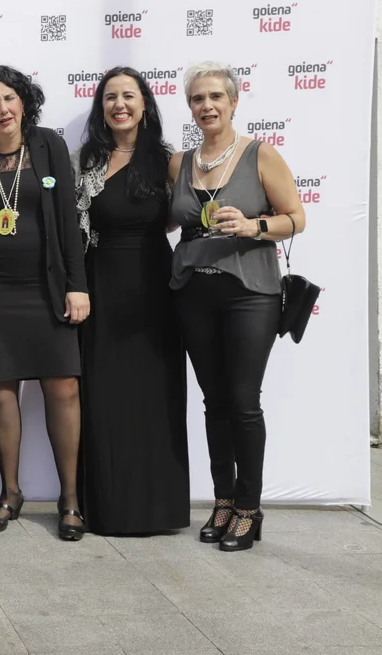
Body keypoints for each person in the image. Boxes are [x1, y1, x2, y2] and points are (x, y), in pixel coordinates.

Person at [0, 65, 89, 541]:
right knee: (0, 390)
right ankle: (9, 494)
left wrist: (77, 284)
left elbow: (68, 220)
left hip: (47, 287)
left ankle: (70, 498)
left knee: (63, 387)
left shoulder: (48, 145)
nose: (3, 109)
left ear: (24, 101)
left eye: (9, 98)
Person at [169, 62, 305, 552]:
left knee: (244, 402)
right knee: (214, 403)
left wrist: (254, 226)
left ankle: (249, 508)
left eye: (215, 97)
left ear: (233, 102)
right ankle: (223, 501)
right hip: (193, 293)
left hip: (250, 293)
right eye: (197, 99)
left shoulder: (260, 154)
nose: (206, 106)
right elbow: (168, 220)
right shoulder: (179, 163)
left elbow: (297, 218)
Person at [74, 66, 189, 535]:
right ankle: (108, 508)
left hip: (154, 289)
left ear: (144, 103)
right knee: (103, 398)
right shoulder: (86, 160)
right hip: (99, 286)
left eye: (128, 95)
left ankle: (159, 510)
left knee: (154, 397)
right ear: (100, 107)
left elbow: (181, 217)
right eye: (110, 97)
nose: (119, 104)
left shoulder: (168, 161)